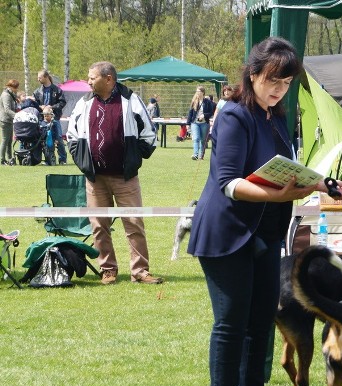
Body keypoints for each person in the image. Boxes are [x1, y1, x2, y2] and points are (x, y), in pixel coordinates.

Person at [187, 37, 342, 386]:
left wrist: (324, 184)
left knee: (261, 321)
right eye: (271, 80)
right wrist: (281, 195)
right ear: (252, 74)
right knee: (231, 322)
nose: (278, 88)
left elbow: (289, 169)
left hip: (264, 234)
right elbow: (230, 184)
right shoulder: (232, 116)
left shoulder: (276, 117)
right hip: (226, 235)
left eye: (285, 81)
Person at [66, 61, 163, 286]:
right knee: (99, 225)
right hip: (95, 178)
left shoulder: (131, 100)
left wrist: (133, 159)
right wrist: (83, 163)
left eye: (92, 77)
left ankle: (140, 271)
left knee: (134, 223)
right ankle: (107, 269)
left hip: (124, 177)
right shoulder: (83, 103)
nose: (88, 81)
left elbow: (148, 134)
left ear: (108, 79)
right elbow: (72, 135)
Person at [33, 70, 68, 165]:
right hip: (42, 119)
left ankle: (62, 160)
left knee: (59, 139)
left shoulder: (57, 90)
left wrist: (51, 107)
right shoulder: (37, 91)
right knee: (45, 139)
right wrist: (41, 107)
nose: (38, 79)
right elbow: (34, 105)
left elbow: (62, 102)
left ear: (46, 77)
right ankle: (48, 160)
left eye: (40, 77)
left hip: (54, 118)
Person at [186, 86, 215, 161]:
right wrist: (188, 124)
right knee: (196, 138)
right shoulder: (194, 101)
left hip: (204, 123)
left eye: (199, 91)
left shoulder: (208, 102)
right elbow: (190, 113)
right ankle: (195, 154)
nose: (197, 93)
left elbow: (211, 112)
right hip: (195, 123)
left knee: (203, 140)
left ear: (203, 92)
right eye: (197, 91)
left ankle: (201, 155)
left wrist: (204, 115)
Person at [0, 79, 18, 166]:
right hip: (5, 120)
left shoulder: (11, 94)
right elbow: (7, 110)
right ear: (10, 87)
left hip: (9, 120)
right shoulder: (6, 95)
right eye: (15, 88)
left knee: (9, 141)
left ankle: (10, 158)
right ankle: (2, 159)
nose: (16, 89)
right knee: (5, 140)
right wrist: (17, 116)